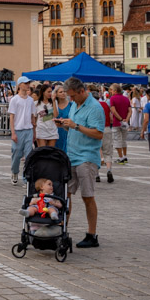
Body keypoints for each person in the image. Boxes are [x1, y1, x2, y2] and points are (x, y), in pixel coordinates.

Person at [58, 76, 105, 248]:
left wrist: (76, 126)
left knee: (87, 196)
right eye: (69, 96)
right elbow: (73, 126)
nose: (71, 99)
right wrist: (64, 124)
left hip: (87, 157)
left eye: (73, 96)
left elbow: (98, 133)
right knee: (66, 196)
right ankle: (62, 231)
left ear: (82, 91)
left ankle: (92, 235)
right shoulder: (74, 105)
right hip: (71, 155)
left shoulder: (94, 108)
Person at [7, 76, 36, 185]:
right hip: (18, 131)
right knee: (16, 154)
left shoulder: (31, 100)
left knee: (28, 155)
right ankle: (14, 172)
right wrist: (13, 133)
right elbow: (11, 117)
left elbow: (33, 116)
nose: (27, 85)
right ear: (19, 85)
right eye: (25, 83)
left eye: (28, 83)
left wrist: (34, 132)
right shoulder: (15, 100)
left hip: (28, 130)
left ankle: (26, 178)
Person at [109, 83, 131, 165]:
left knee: (117, 140)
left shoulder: (112, 99)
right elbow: (130, 111)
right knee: (124, 140)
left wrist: (120, 119)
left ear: (115, 91)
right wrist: (126, 119)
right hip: (125, 122)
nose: (110, 92)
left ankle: (121, 157)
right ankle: (125, 156)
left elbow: (113, 111)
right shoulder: (126, 99)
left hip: (116, 122)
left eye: (111, 90)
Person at [98, 94, 114, 183]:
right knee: (108, 152)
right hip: (106, 128)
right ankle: (109, 170)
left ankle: (97, 174)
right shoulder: (105, 104)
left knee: (96, 151)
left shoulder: (90, 106)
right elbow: (111, 119)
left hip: (95, 130)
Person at [53, 86, 71, 153]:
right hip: (55, 131)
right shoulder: (53, 105)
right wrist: (53, 101)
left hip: (67, 131)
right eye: (61, 92)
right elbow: (48, 117)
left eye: (64, 91)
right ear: (56, 94)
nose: (63, 93)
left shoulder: (71, 105)